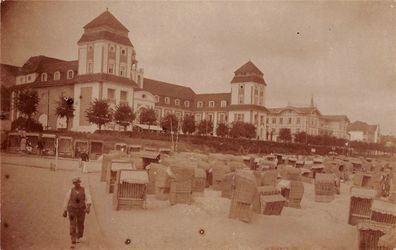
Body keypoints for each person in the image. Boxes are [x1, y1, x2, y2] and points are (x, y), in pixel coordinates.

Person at [62, 177, 92, 248]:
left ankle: (78, 236)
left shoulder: (85, 190)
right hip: (72, 210)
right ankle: (73, 238)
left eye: (78, 183)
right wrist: (65, 210)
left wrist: (88, 207)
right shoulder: (70, 191)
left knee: (80, 223)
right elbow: (66, 200)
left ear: (80, 183)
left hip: (81, 210)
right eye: (75, 183)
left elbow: (89, 199)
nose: (76, 184)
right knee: (72, 223)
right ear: (73, 184)